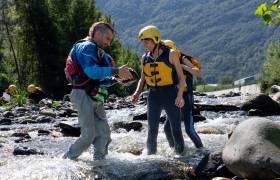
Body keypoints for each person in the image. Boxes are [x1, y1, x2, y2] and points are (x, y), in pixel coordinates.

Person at [63, 21, 133, 160]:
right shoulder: (86, 47)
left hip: (95, 94)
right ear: (97, 34)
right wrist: (116, 70)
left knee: (104, 134)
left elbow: (101, 80)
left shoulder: (99, 52)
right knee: (88, 136)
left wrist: (118, 79)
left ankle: (99, 164)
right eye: (107, 38)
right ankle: (66, 160)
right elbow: (92, 72)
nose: (109, 43)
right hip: (83, 94)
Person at [131, 25, 186, 155]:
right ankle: (151, 157)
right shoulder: (144, 58)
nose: (144, 44)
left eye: (147, 41)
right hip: (153, 96)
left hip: (171, 94)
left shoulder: (171, 54)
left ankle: (181, 156)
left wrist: (180, 95)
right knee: (152, 129)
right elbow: (143, 79)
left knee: (176, 129)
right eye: (143, 41)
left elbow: (181, 78)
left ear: (155, 39)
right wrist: (137, 92)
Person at [163, 39, 203, 148]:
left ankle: (201, 150)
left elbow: (199, 73)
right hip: (174, 98)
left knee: (189, 129)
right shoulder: (164, 62)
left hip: (186, 97)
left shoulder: (182, 58)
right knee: (167, 129)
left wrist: (183, 67)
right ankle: (176, 150)